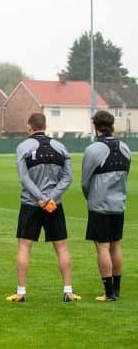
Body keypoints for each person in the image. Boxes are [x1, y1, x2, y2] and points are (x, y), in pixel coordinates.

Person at [6, 113, 80, 302]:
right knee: (62, 247)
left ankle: (21, 293)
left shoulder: (23, 147)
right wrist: (51, 198)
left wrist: (40, 198)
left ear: (29, 127)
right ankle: (68, 291)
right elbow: (68, 178)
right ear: (45, 126)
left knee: (24, 246)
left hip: (31, 204)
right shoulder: (60, 147)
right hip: (54, 206)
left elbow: (24, 178)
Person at [82, 110, 131, 301]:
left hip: (99, 205)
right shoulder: (125, 148)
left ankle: (108, 292)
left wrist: (90, 198)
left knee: (102, 248)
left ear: (95, 126)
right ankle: (116, 289)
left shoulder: (93, 150)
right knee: (116, 245)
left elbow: (85, 181)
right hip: (118, 204)